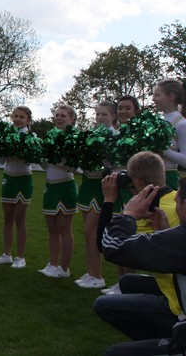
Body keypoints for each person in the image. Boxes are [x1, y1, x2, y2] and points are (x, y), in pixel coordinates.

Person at [93, 172, 186, 354]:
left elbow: (112, 247)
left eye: (178, 202)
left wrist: (127, 214)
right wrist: (164, 232)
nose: (175, 206)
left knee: (115, 352)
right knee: (128, 282)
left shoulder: (181, 237)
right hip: (178, 300)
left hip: (178, 311)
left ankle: (173, 343)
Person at [101, 95, 142, 295]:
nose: (123, 112)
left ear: (136, 111)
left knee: (134, 238)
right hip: (119, 188)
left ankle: (130, 284)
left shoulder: (141, 133)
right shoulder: (115, 135)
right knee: (120, 234)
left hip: (136, 188)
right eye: (120, 108)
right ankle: (120, 283)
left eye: (127, 108)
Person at [75, 101, 117, 289]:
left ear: (113, 116)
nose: (99, 117)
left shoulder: (116, 137)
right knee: (88, 233)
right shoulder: (89, 136)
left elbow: (114, 163)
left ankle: (98, 276)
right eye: (97, 114)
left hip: (103, 185)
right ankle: (91, 272)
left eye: (104, 114)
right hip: (87, 184)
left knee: (90, 230)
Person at [0, 106, 34, 269]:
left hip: (24, 179)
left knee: (20, 219)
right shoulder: (5, 135)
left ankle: (20, 257)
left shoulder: (32, 137)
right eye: (15, 116)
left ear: (28, 120)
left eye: (21, 117)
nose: (17, 119)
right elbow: (1, 161)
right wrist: (5, 149)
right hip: (8, 177)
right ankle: (7, 254)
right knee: (7, 217)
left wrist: (22, 152)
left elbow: (31, 161)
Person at [39, 105, 78, 278]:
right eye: (57, 115)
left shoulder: (74, 139)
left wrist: (58, 160)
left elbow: (75, 168)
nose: (59, 118)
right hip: (50, 186)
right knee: (52, 228)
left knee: (64, 228)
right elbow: (44, 166)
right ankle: (53, 263)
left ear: (71, 119)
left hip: (65, 186)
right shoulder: (50, 136)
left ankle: (64, 268)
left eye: (63, 115)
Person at [152, 79, 186, 190]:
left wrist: (164, 150)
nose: (153, 99)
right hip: (148, 177)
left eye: (157, 95)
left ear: (170, 97)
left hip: (168, 178)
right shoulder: (155, 121)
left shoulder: (182, 123)